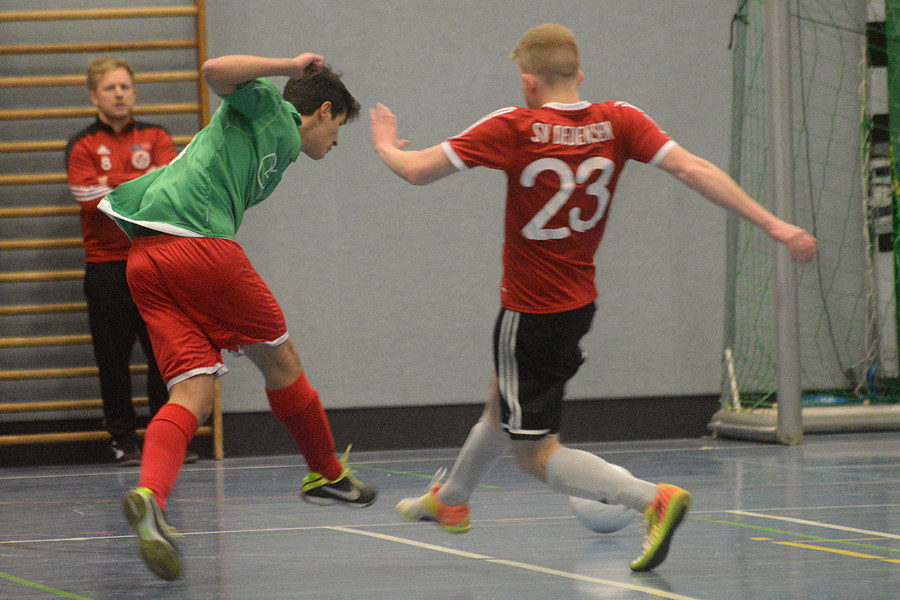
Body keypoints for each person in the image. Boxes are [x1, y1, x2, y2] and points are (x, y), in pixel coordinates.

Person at [369, 23, 818, 572]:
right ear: (579, 74)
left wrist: (385, 145)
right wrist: (775, 225)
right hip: (577, 304)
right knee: (500, 401)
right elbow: (692, 168)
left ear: (528, 81)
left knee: (535, 453)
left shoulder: (514, 126)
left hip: (529, 310)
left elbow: (417, 171)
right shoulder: (620, 119)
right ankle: (453, 499)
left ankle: (650, 499)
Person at [98, 52, 378, 581]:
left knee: (193, 394)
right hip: (196, 245)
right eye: (339, 127)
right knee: (282, 361)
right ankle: (327, 473)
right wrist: (288, 65)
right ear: (323, 111)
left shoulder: (277, 146)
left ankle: (150, 495)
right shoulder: (271, 109)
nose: (336, 141)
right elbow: (214, 70)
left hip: (145, 261)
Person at [65, 56, 198, 466]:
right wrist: (144, 180)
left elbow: (170, 188)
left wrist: (112, 182)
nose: (119, 94)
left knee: (163, 357)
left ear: (134, 92)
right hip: (106, 267)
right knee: (113, 360)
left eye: (125, 87)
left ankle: (165, 438)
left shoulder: (156, 135)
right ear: (94, 96)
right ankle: (123, 441)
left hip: (155, 262)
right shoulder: (83, 144)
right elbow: (88, 199)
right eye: (110, 88)